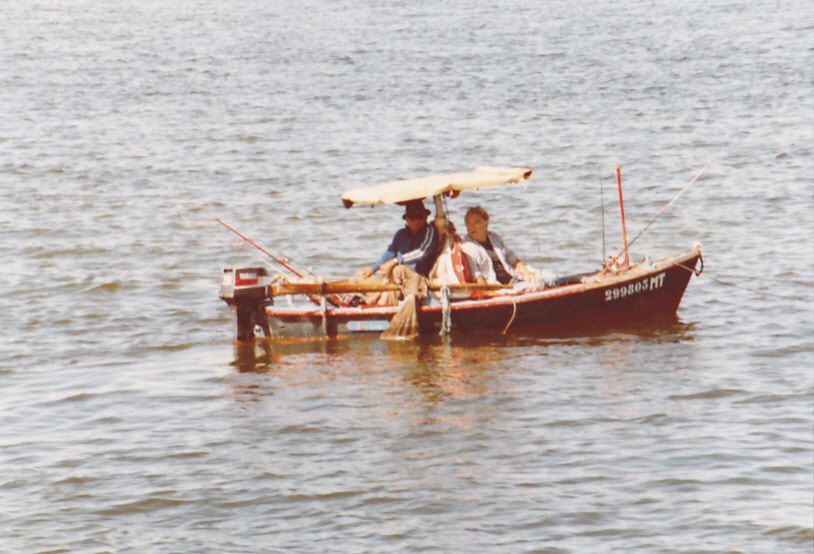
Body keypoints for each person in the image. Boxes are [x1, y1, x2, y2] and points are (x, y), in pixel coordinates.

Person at [355, 199, 440, 304]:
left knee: (398, 269)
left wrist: (395, 261)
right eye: (412, 217)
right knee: (360, 274)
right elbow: (390, 253)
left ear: (425, 217)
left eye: (420, 216)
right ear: (406, 219)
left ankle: (371, 301)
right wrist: (373, 269)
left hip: (419, 279)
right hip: (398, 280)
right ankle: (361, 299)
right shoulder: (401, 234)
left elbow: (421, 253)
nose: (416, 221)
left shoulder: (430, 232)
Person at [460, 206, 544, 286]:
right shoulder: (466, 247)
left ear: (486, 224)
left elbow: (513, 260)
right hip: (499, 285)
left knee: (550, 278)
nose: (472, 226)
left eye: (476, 222)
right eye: (468, 223)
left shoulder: (495, 238)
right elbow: (476, 276)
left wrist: (528, 274)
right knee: (537, 285)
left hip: (513, 276)